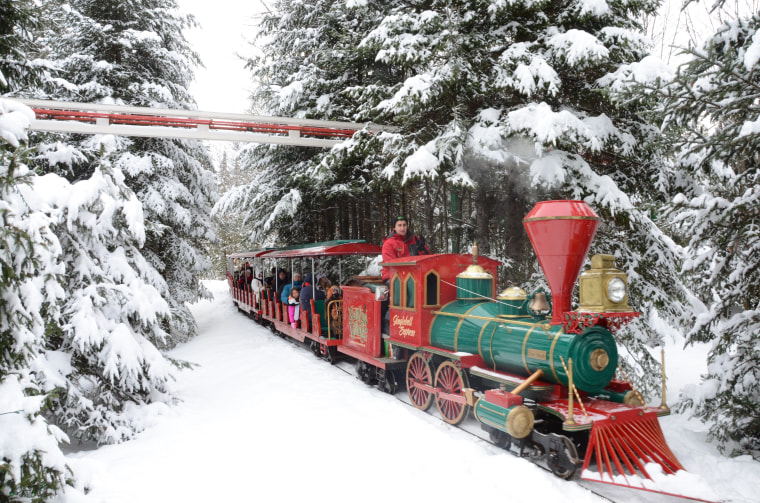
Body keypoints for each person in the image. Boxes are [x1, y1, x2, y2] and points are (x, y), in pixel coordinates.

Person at [381, 216, 430, 281]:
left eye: (404, 225)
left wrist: (422, 250)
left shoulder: (415, 240)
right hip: (392, 276)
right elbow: (390, 264)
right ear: (394, 228)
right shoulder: (389, 243)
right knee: (404, 286)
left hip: (414, 275)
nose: (402, 228)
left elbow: (427, 260)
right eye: (399, 225)